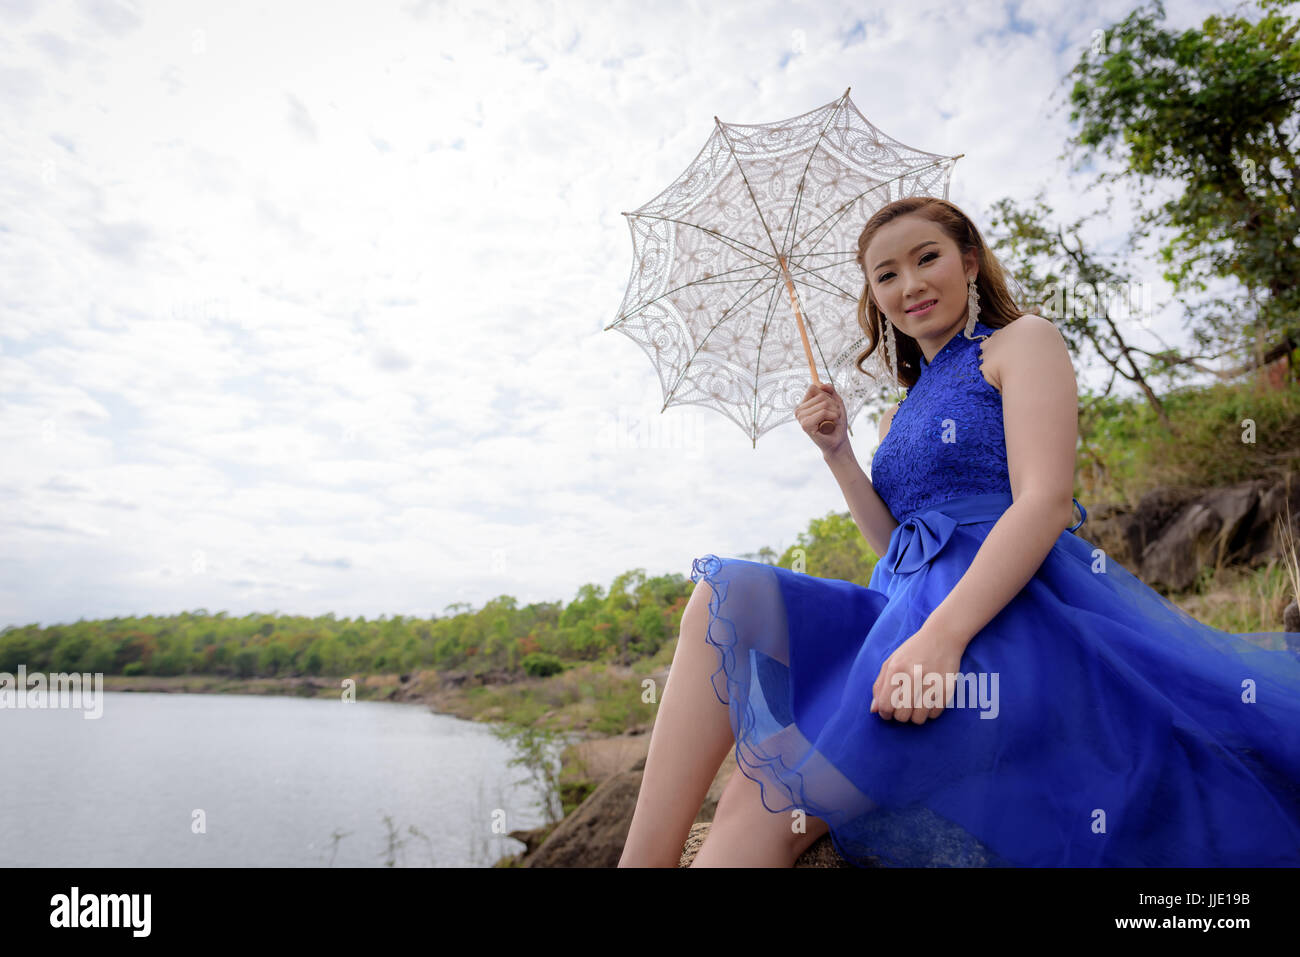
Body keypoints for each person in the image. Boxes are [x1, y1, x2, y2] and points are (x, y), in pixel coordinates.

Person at [617, 195, 1300, 868]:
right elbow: (897, 546)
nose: (909, 284)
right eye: (886, 274)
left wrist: (940, 640)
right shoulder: (898, 413)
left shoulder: (1020, 342)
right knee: (722, 598)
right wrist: (838, 454)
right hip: (899, 606)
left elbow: (1045, 502)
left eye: (926, 258)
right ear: (875, 297)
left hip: (996, 619)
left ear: (969, 261)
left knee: (771, 793)